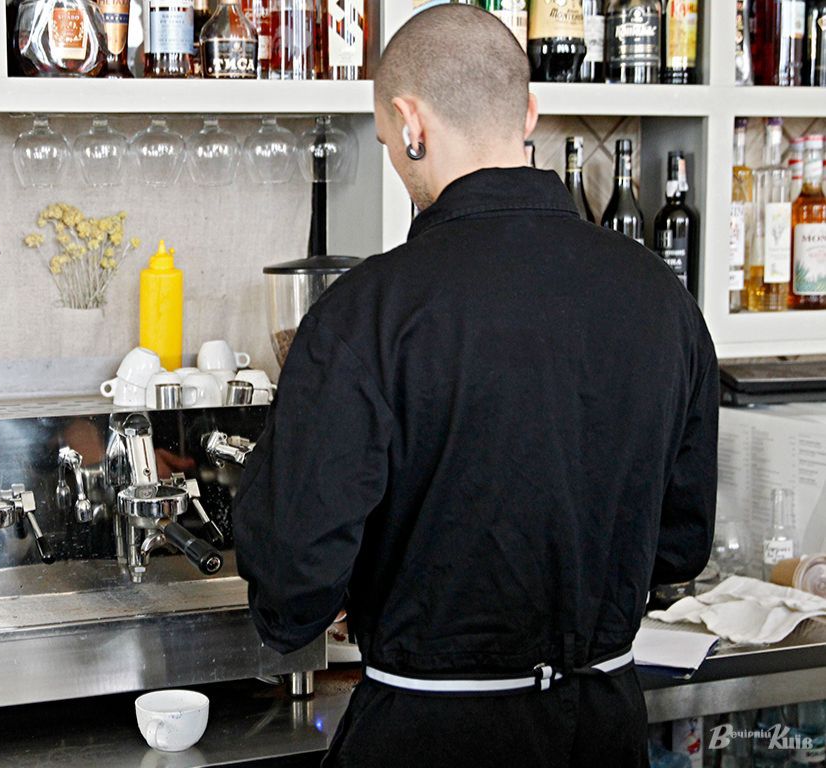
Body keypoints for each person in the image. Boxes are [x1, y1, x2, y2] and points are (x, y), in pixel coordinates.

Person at [231, 5, 718, 767]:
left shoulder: (366, 312)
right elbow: (680, 544)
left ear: (409, 122)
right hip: (603, 728)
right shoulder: (663, 296)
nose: (398, 160)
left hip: (428, 738)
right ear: (529, 112)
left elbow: (294, 582)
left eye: (387, 145)